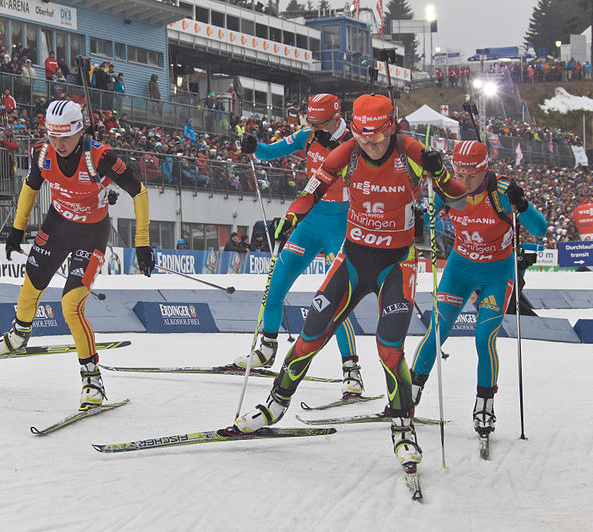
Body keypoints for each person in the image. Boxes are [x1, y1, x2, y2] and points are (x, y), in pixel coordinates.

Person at [233, 93, 467, 471]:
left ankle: (403, 428)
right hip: (354, 257)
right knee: (311, 335)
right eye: (362, 135)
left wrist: (440, 173)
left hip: (397, 263)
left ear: (391, 126)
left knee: (389, 348)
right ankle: (275, 405)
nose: (370, 143)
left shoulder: (411, 150)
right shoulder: (346, 153)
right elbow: (310, 193)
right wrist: (291, 218)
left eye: (376, 135)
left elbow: (458, 202)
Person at [0, 100, 155, 411]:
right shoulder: (42, 152)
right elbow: (30, 187)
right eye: (52, 136)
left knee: (71, 305)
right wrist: (17, 230)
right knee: (31, 282)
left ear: (79, 131)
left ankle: (92, 379)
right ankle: (19, 334)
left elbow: (138, 190)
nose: (58, 144)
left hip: (91, 232)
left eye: (65, 137)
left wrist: (142, 243)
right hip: (58, 223)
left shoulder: (99, 156)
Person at [410, 140, 547, 439]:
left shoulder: (502, 192)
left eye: (471, 175)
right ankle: (410, 393)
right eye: (459, 173)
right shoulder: (449, 188)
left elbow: (540, 229)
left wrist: (522, 205)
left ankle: (484, 403)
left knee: (484, 338)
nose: (464, 181)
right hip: (459, 270)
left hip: (496, 274)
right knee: (436, 331)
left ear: (484, 170)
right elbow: (422, 220)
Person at [233, 93, 365, 400]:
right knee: (277, 283)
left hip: (340, 225)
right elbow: (270, 152)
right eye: (309, 122)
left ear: (335, 118)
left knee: (335, 298)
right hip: (309, 223)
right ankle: (266, 349)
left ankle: (351, 372)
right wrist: (254, 146)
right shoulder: (307, 135)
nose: (311, 128)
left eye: (318, 123)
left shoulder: (355, 140)